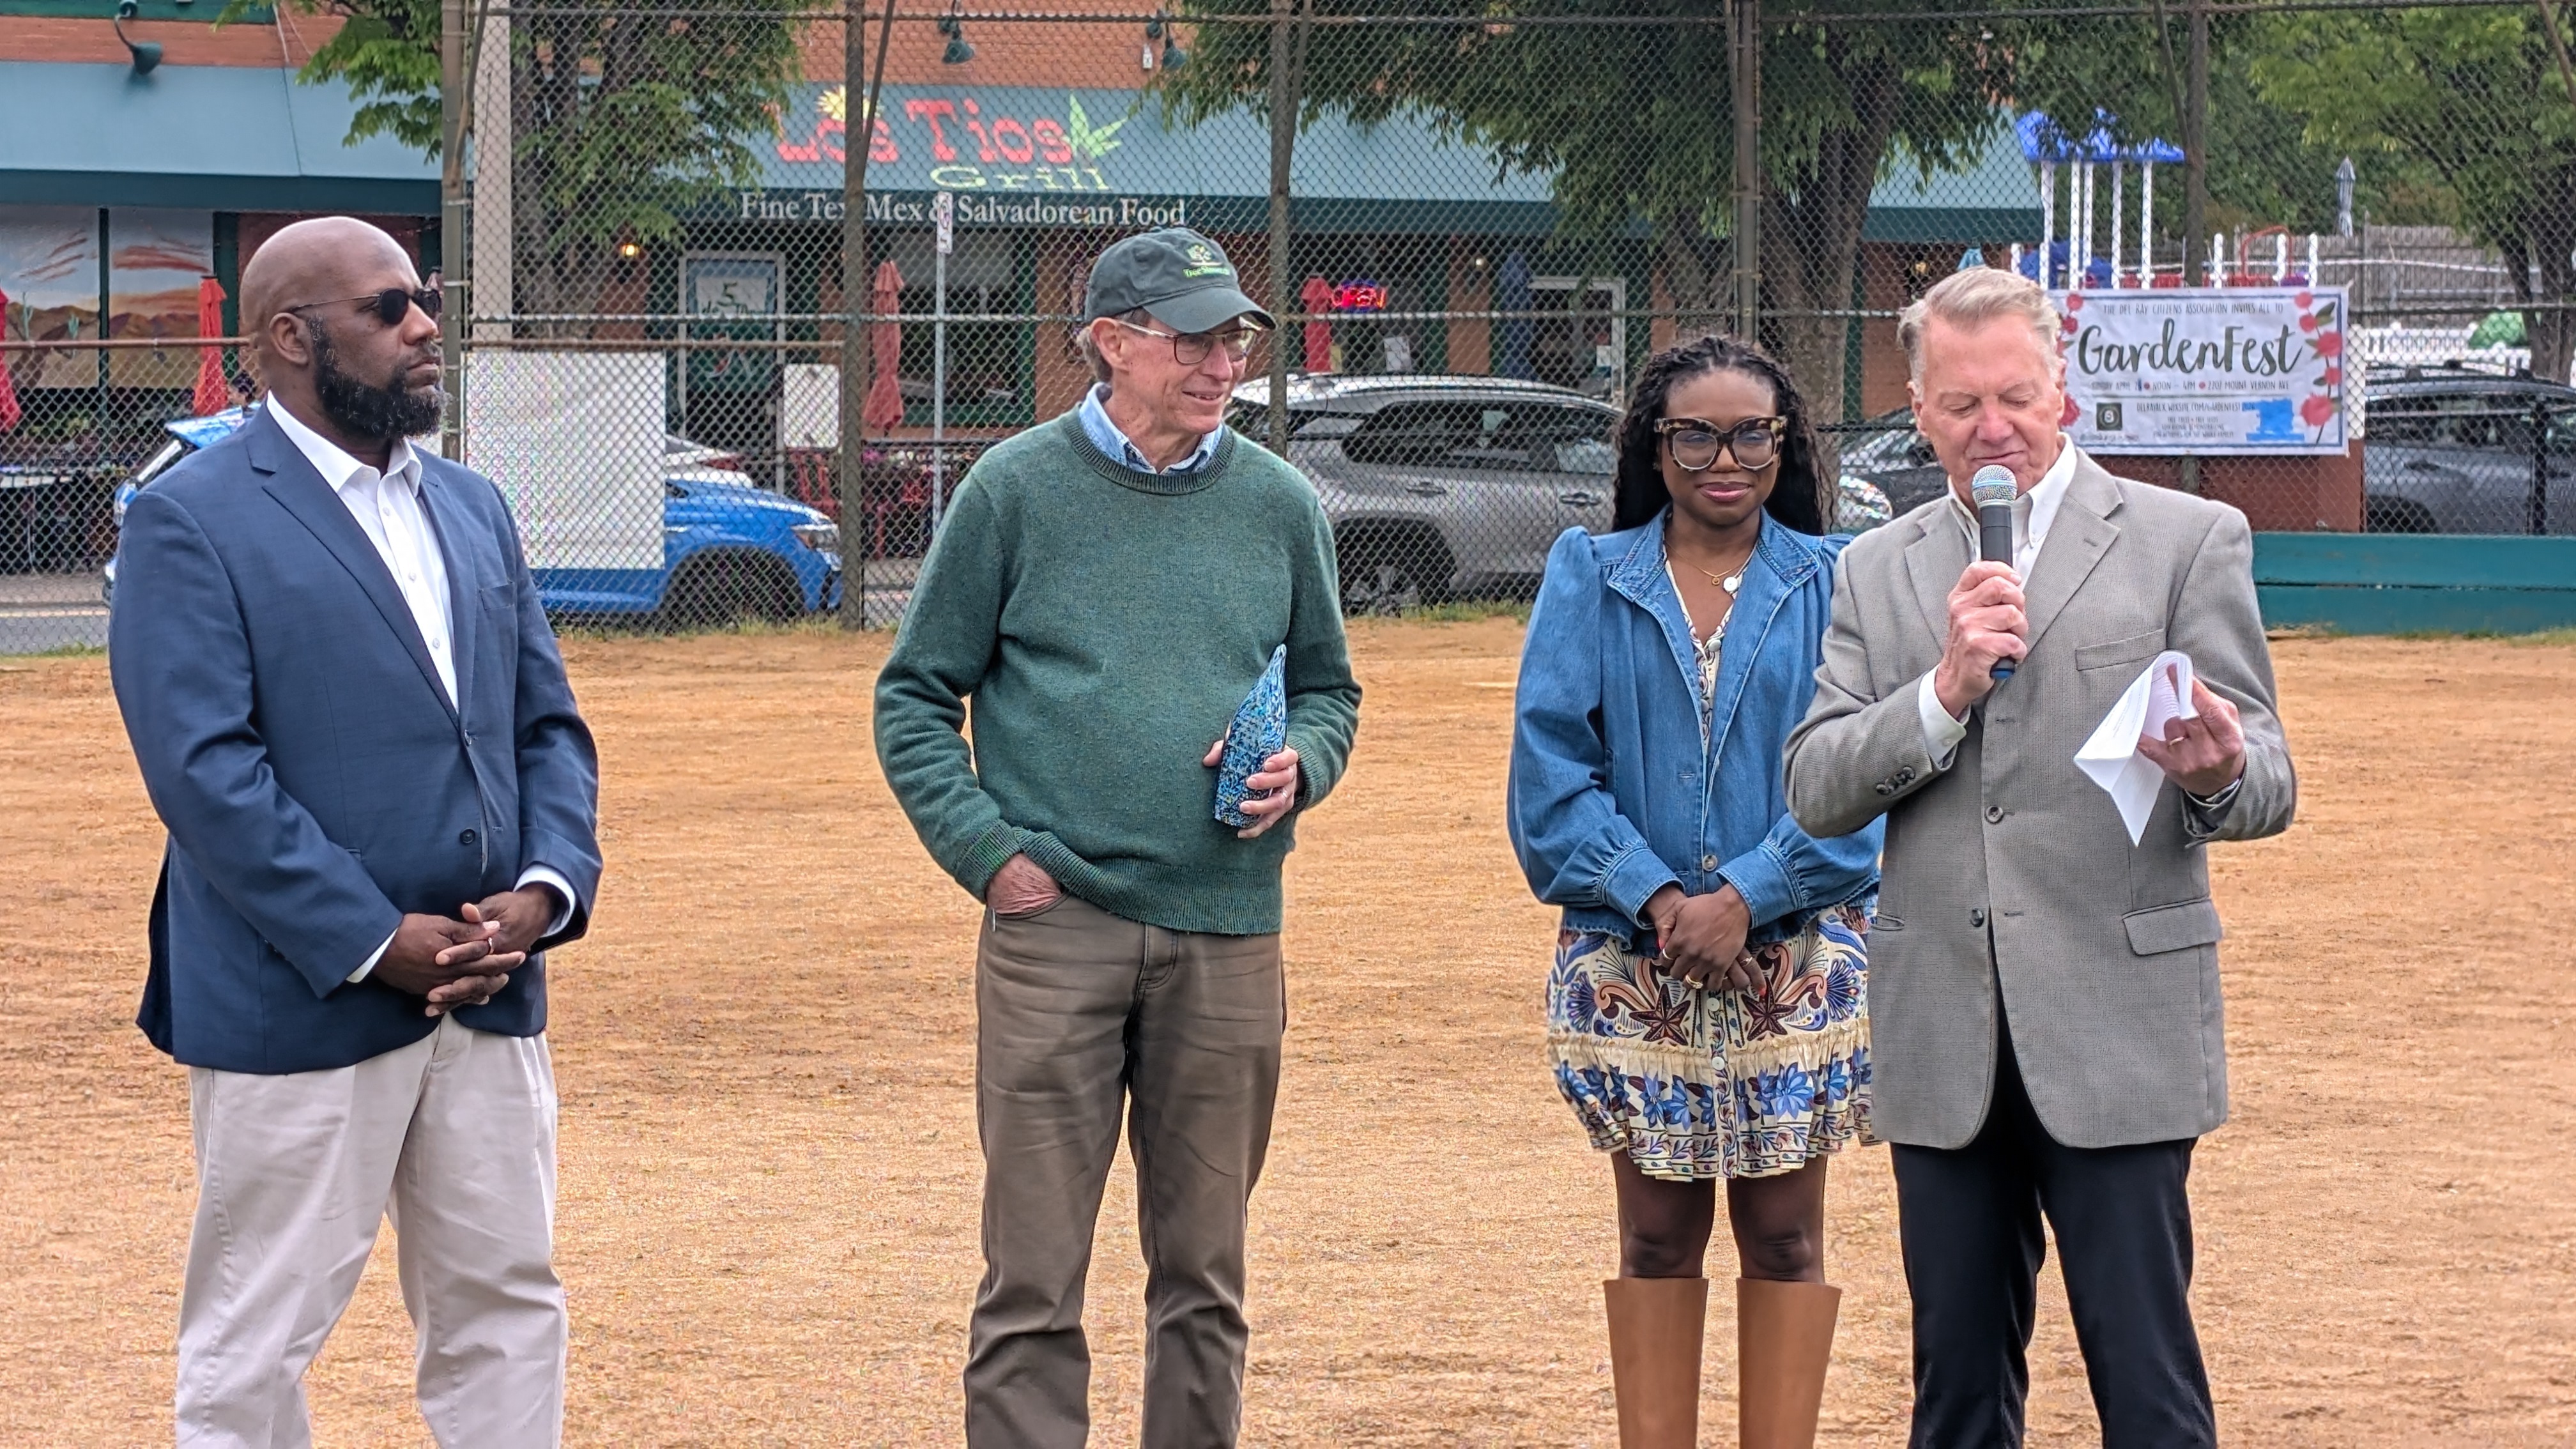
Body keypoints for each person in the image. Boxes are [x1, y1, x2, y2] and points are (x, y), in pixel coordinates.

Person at [108, 216, 602, 1448]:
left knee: (507, 1307)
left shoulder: (475, 508)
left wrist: (543, 894)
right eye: (389, 308)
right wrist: (376, 940)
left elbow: (545, 726)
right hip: (300, 1001)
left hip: (489, 991)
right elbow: (205, 774)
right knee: (257, 1342)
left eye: (424, 298)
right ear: (291, 338)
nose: (425, 325)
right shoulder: (190, 519)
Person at [1781, 266, 2296, 1448]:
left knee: (2150, 1389)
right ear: (1919, 410)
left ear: (2063, 388)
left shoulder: (2186, 540)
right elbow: (1815, 786)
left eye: (2016, 396)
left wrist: (2215, 772)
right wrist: (1942, 690)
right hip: (1943, 1039)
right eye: (1962, 405)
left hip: (2120, 1026)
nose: (1993, 428)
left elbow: (2268, 779)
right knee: (1957, 1397)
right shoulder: (1874, 567)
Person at [873, 226, 1363, 1449]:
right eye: (1193, 340)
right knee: (1033, 1280)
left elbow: (1328, 689)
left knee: (1205, 1277)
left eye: (1234, 339)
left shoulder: (1281, 503)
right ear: (1109, 342)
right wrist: (992, 857)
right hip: (1058, 928)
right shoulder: (1012, 491)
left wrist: (1304, 763)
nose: (1223, 365)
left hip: (1229, 930)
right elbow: (915, 695)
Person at [1509, 334, 1883, 1449]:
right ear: (1654, 446)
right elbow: (1549, 782)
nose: (1726, 460)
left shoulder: (1839, 578)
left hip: (1796, 963)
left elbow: (1866, 780)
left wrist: (1751, 896)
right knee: (1656, 1242)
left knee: (1786, 1241)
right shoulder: (1591, 573)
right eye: (1697, 437)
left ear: (1786, 443)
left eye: (1751, 435)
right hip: (1638, 963)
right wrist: (1664, 900)